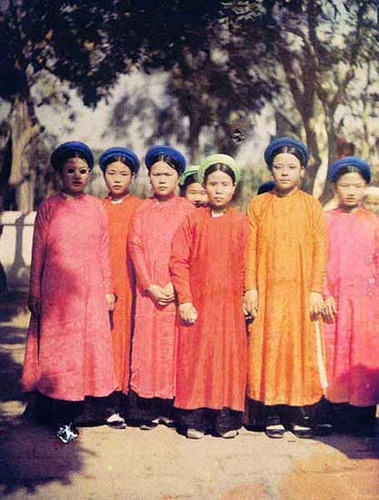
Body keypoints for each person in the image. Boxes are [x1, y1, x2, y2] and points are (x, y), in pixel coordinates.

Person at [22, 141, 116, 443]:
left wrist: (107, 289)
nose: (77, 176)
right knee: (59, 354)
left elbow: (103, 250)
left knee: (87, 352)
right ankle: (59, 417)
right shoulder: (49, 207)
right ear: (60, 174)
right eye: (71, 170)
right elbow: (38, 252)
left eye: (83, 171)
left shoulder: (96, 207)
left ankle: (84, 412)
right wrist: (35, 291)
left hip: (89, 294)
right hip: (57, 294)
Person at [243, 137, 327, 439]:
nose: (284, 173)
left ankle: (298, 412)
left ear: (302, 171)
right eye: (278, 167)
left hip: (300, 291)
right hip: (267, 291)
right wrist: (250, 288)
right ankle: (272, 413)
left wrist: (315, 290)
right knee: (268, 348)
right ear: (270, 170)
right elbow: (250, 249)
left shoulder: (312, 206)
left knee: (298, 349)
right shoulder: (258, 205)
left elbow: (320, 250)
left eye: (291, 167)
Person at [170, 154, 248, 439]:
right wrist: (186, 299)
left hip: (229, 307)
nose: (218, 189)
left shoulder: (241, 222)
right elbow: (178, 261)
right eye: (212, 183)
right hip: (199, 304)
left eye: (224, 184)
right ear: (204, 186)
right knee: (197, 359)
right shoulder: (191, 221)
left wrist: (246, 295)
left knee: (227, 359)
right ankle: (195, 419)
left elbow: (247, 262)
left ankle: (225, 421)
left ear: (234, 188)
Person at [127, 145, 194, 429]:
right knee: (148, 347)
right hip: (150, 293)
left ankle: (173, 406)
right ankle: (147, 408)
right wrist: (150, 285)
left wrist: (175, 287)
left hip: (178, 291)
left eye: (168, 174)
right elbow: (135, 247)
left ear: (178, 177)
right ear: (149, 178)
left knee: (175, 348)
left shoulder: (188, 210)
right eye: (156, 174)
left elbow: (193, 250)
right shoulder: (142, 210)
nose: (162, 180)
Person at [322, 157, 379, 434]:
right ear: (335, 187)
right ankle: (335, 413)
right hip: (334, 300)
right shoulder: (325, 221)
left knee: (363, 352)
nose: (352, 191)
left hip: (367, 302)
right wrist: (322, 293)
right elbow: (316, 260)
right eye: (345, 185)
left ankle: (363, 414)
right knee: (335, 352)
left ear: (365, 187)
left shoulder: (373, 222)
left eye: (357, 185)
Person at [99, 147, 142, 428]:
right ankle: (105, 401)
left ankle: (127, 401)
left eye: (123, 174)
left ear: (133, 176)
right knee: (107, 342)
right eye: (111, 173)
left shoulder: (141, 206)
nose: (117, 179)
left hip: (133, 282)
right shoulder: (95, 207)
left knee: (129, 340)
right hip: (102, 283)